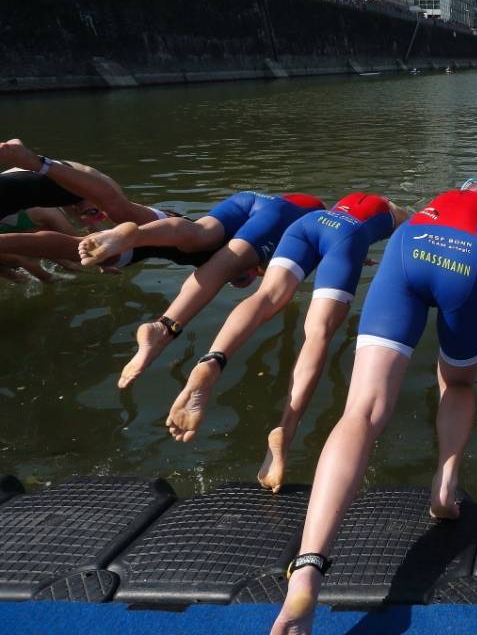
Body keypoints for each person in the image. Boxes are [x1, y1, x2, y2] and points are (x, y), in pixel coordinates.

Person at [269, 179, 477, 635]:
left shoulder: (435, 204)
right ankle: (445, 487)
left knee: (362, 411)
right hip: (468, 260)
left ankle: (308, 565)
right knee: (458, 383)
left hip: (410, 248)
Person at [164, 194, 407, 494]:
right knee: (317, 333)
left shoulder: (335, 205)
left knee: (264, 298)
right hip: (349, 235)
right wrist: (357, 252)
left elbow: (324, 238)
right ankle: (285, 431)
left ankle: (213, 359)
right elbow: (403, 244)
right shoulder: (394, 211)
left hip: (307, 226)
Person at [102, 191, 325, 388]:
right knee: (221, 266)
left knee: (198, 232)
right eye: (241, 277)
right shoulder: (275, 250)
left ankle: (136, 235)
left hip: (248, 198)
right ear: (254, 270)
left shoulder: (262, 243)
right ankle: (163, 327)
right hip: (288, 212)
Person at [0, 138, 170, 225]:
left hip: (51, 186)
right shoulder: (100, 189)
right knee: (115, 211)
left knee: (113, 213)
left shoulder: (88, 196)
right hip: (58, 180)